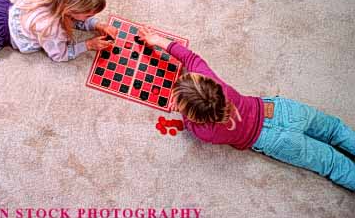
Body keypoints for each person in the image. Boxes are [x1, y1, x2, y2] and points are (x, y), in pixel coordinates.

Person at [138, 27, 355, 191]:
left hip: (273, 141)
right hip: (283, 112)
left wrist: (183, 114)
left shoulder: (205, 132)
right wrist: (158, 40)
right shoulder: (217, 84)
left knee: (332, 164)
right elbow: (191, 58)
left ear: (194, 116)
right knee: (334, 129)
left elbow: (189, 125)